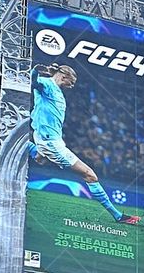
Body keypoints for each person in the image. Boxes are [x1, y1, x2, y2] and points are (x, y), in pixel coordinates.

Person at [28, 63, 138, 225]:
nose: (72, 86)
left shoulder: (55, 89)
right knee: (90, 175)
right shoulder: (48, 85)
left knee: (39, 157)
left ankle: (25, 145)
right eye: (71, 82)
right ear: (64, 76)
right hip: (50, 142)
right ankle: (118, 216)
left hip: (49, 139)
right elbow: (33, 82)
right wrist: (36, 69)